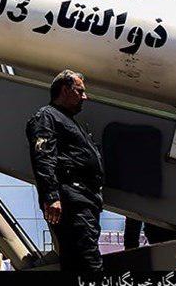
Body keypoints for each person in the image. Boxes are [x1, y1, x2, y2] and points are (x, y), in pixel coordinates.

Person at [26, 69, 104, 271]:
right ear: (64, 89)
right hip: (72, 201)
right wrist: (51, 196)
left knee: (78, 261)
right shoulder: (47, 117)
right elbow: (43, 157)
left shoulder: (70, 121)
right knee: (88, 262)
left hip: (85, 200)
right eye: (80, 91)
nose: (84, 97)